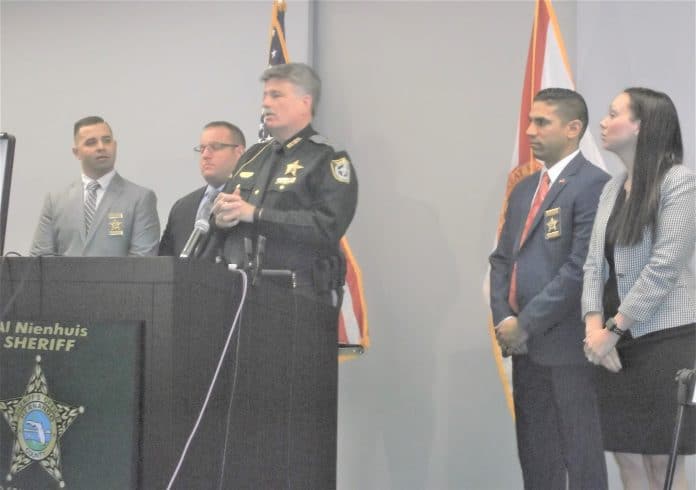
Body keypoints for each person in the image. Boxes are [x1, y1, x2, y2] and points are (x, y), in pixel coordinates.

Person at [489, 88, 610, 490]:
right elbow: (502, 260)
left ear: (573, 128)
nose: (529, 131)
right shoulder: (525, 189)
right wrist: (505, 319)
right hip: (525, 350)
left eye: (542, 122)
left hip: (569, 348)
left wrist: (526, 323)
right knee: (537, 459)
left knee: (581, 457)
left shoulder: (594, 184)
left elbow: (581, 269)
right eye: (530, 120)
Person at [582, 88, 696, 490]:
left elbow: (664, 267)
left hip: (663, 340)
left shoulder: (679, 183)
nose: (603, 121)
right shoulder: (613, 188)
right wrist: (594, 332)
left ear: (641, 126)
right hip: (614, 341)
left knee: (661, 466)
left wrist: (612, 331)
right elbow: (594, 265)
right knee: (627, 460)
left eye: (614, 114)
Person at [207, 62, 358, 306]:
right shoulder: (252, 156)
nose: (266, 103)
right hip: (239, 294)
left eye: (276, 95)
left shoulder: (327, 159)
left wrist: (256, 214)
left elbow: (326, 227)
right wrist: (222, 220)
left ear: (305, 102)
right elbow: (223, 216)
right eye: (265, 95)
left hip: (298, 297)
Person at [30, 116, 160, 257]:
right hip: (63, 279)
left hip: (119, 279)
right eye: (91, 142)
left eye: (107, 140)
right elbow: (40, 258)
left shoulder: (140, 198)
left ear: (115, 146)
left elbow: (143, 260)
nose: (101, 147)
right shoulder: (55, 200)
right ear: (76, 153)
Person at [158, 121, 246, 256]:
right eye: (202, 148)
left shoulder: (247, 202)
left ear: (239, 152)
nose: (205, 155)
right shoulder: (182, 207)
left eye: (215, 147)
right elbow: (164, 262)